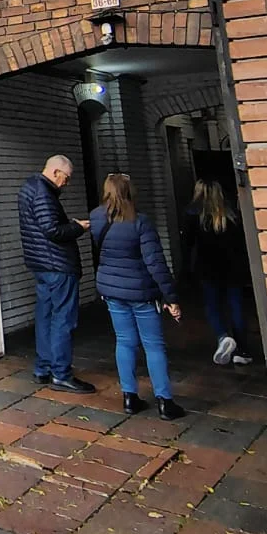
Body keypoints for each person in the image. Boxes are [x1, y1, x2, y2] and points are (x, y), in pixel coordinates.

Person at [90, 172, 185, 419]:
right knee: (153, 345)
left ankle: (129, 397)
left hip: (111, 290)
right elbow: (155, 263)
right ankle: (165, 401)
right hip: (141, 292)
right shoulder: (140, 222)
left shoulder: (96, 218)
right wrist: (171, 297)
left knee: (124, 341)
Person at [18, 154, 94, 393]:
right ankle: (61, 373)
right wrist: (77, 227)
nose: (67, 183)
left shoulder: (30, 187)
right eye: (66, 178)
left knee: (46, 316)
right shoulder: (43, 192)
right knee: (63, 319)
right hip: (57, 265)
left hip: (41, 265)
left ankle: (43, 368)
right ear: (55, 172)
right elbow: (52, 230)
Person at [182, 179, 253, 367]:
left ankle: (223, 336)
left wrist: (186, 270)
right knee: (236, 305)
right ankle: (242, 350)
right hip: (232, 267)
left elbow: (187, 245)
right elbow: (241, 244)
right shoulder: (231, 215)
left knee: (213, 305)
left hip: (207, 268)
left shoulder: (193, 215)